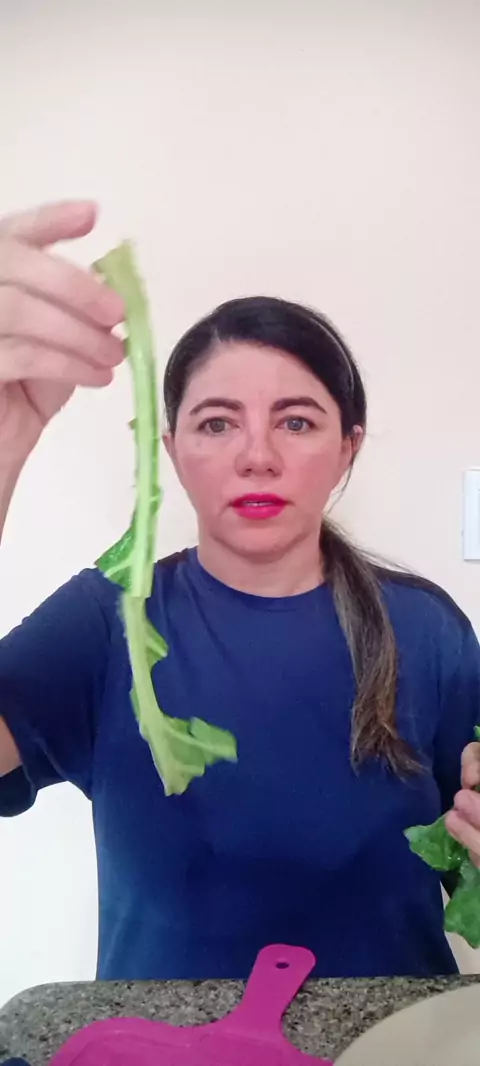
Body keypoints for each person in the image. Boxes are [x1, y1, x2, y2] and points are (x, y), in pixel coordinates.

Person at [1, 200, 480, 983]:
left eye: (296, 422)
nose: (257, 456)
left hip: (394, 1039)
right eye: (217, 424)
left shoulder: (426, 630)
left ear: (348, 447)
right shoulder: (106, 621)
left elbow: (471, 877)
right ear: (171, 450)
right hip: (162, 1041)